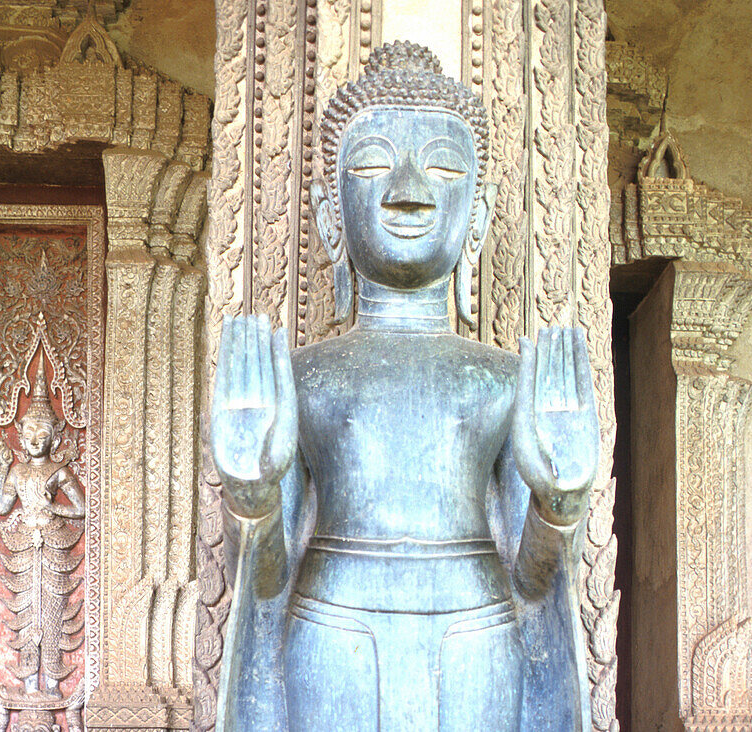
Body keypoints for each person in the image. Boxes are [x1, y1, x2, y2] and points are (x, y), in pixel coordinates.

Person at [211, 42, 599, 731]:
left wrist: (559, 505)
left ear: (476, 220)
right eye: (371, 165)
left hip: (476, 635)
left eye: (444, 166)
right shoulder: (302, 377)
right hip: (334, 633)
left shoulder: (506, 379)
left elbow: (533, 582)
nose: (409, 189)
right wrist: (254, 496)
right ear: (332, 218)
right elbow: (269, 581)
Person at [0, 356, 85, 698]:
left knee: (52, 611)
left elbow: (84, 508)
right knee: (27, 613)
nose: (35, 439)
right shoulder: (18, 470)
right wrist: (3, 467)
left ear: (54, 436)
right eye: (29, 432)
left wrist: (53, 506)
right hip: (23, 546)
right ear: (20, 434)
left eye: (42, 432)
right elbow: (1, 506)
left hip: (53, 543)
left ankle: (51, 684)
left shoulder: (58, 470)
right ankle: (30, 683)